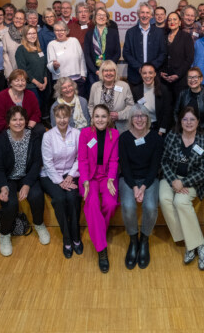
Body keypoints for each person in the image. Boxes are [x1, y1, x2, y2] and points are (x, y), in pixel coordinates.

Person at [0, 106, 50, 256]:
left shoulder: (33, 137)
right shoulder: (1, 140)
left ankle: (39, 224)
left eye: (21, 119)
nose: (18, 122)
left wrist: (28, 184)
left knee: (36, 196)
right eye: (14, 119)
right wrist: (3, 187)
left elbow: (37, 163)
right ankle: (5, 234)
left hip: (27, 176)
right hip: (8, 177)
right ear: (8, 122)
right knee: (11, 203)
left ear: (25, 121)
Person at [160, 106, 204, 271]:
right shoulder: (172, 135)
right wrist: (174, 180)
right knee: (165, 199)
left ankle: (200, 245)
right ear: (180, 121)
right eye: (185, 119)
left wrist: (184, 182)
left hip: (193, 181)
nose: (188, 123)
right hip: (171, 177)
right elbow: (164, 161)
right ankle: (191, 243)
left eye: (192, 119)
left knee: (181, 202)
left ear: (198, 121)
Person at [118, 104, 164, 269]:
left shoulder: (156, 138)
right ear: (130, 119)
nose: (139, 119)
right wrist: (134, 187)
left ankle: (144, 240)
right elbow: (124, 166)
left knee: (151, 207)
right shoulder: (123, 138)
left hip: (149, 179)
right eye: (136, 116)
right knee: (129, 206)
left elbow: (154, 167)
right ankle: (133, 241)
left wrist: (143, 187)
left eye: (143, 116)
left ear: (148, 118)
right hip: (129, 179)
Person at [78, 104, 120, 273]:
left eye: (103, 116)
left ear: (109, 118)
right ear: (92, 118)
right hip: (90, 177)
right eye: (97, 116)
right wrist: (86, 180)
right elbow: (82, 159)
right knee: (92, 203)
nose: (100, 120)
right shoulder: (85, 133)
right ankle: (102, 250)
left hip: (106, 176)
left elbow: (114, 160)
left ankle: (98, 230)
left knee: (110, 203)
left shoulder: (115, 134)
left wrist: (111, 178)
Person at [40, 104, 83, 258]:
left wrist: (70, 176)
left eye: (65, 116)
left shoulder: (77, 134)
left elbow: (80, 157)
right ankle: (67, 238)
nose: (62, 120)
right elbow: (47, 163)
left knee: (72, 197)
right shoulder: (48, 136)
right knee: (59, 199)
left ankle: (76, 236)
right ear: (54, 118)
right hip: (50, 175)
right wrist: (60, 181)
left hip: (71, 174)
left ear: (69, 117)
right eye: (59, 116)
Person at [123, 2, 167, 88]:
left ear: (151, 16)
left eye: (147, 13)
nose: (145, 15)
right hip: (135, 76)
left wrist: (151, 68)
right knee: (135, 101)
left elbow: (163, 53)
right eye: (142, 12)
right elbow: (126, 53)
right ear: (138, 14)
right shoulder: (130, 32)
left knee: (153, 101)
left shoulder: (159, 32)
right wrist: (140, 68)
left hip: (154, 77)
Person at [88, 60, 134, 132]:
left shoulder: (124, 86)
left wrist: (119, 115)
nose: (108, 73)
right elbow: (91, 106)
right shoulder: (95, 86)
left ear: (115, 72)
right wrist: (96, 118)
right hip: (99, 126)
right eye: (106, 70)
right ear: (101, 73)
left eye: (111, 70)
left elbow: (131, 106)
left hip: (120, 127)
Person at [0, 69, 42, 136]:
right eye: (17, 80)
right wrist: (15, 130)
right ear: (10, 83)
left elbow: (36, 113)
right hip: (7, 128)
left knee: (40, 130)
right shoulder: (2, 96)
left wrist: (29, 128)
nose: (20, 83)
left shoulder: (31, 95)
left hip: (26, 127)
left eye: (23, 80)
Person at [131, 62, 172, 135]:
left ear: (155, 74)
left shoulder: (163, 89)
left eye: (150, 73)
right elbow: (134, 112)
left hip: (159, 129)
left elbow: (167, 112)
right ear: (141, 74)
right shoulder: (136, 90)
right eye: (144, 73)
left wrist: (161, 130)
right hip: (142, 127)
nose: (147, 76)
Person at [161, 11, 195, 97]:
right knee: (166, 107)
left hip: (180, 79)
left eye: (175, 19)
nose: (172, 22)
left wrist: (178, 74)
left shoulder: (186, 37)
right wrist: (160, 72)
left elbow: (189, 58)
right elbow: (160, 56)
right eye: (169, 20)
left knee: (179, 107)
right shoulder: (163, 36)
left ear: (180, 22)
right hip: (164, 80)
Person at [47, 20, 87, 93]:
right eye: (57, 30)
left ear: (66, 31)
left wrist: (83, 75)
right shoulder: (51, 45)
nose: (60, 33)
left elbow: (82, 58)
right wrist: (54, 66)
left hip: (77, 80)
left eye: (62, 30)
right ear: (54, 32)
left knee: (79, 102)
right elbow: (50, 64)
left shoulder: (74, 41)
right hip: (61, 82)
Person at [173, 67, 204, 133]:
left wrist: (196, 128)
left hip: (202, 132)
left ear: (201, 79)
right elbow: (175, 113)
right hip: (183, 130)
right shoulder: (182, 94)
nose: (192, 80)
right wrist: (182, 126)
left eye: (195, 77)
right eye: (190, 77)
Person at [84, 7, 121, 84]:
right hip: (94, 73)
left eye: (104, 15)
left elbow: (117, 53)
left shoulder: (113, 33)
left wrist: (108, 69)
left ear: (107, 19)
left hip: (110, 72)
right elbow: (87, 55)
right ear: (94, 18)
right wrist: (95, 71)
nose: (101, 17)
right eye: (99, 15)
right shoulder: (89, 34)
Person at [16, 25, 48, 108]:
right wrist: (37, 83)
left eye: (34, 33)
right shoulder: (21, 49)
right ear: (24, 35)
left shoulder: (38, 48)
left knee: (42, 108)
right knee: (34, 108)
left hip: (42, 85)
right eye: (29, 33)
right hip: (31, 86)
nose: (32, 35)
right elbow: (23, 70)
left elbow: (43, 66)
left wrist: (45, 81)